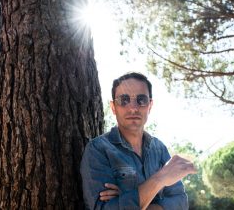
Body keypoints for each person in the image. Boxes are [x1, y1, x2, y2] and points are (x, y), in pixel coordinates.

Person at [80, 72, 196, 210]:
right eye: (124, 100)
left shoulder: (159, 149)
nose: (133, 108)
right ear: (113, 107)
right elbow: (103, 208)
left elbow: (180, 202)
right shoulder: (98, 149)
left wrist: (128, 199)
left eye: (141, 100)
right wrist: (160, 179)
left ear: (150, 106)